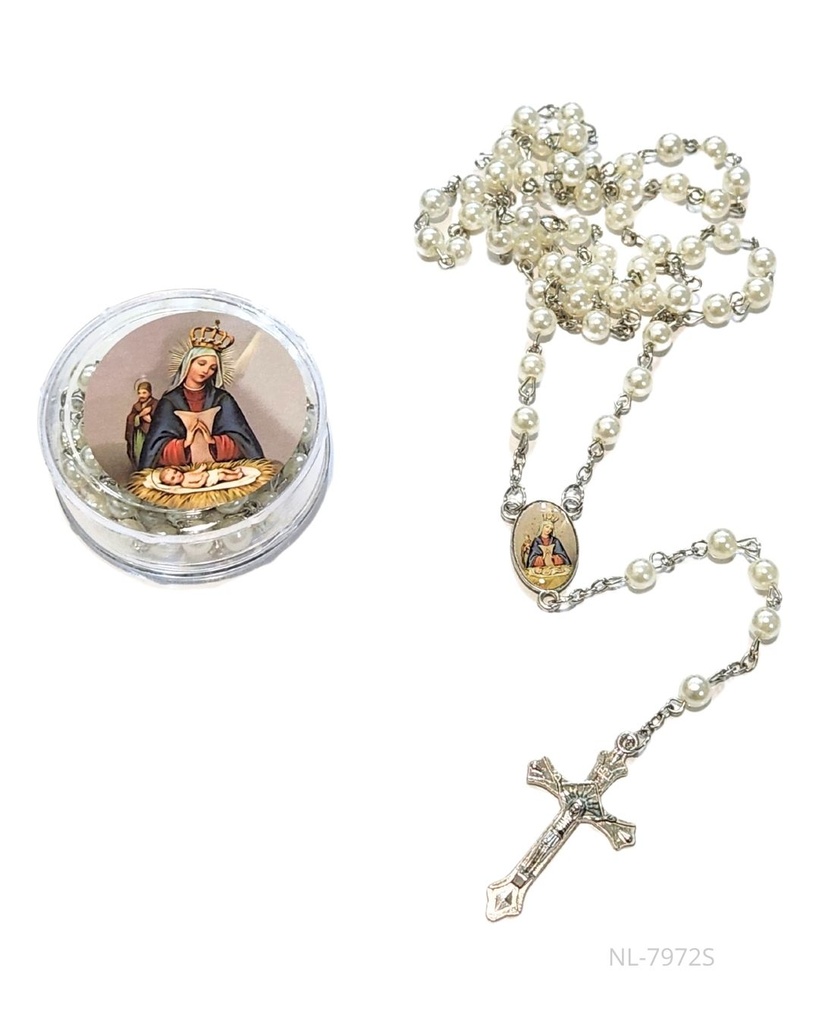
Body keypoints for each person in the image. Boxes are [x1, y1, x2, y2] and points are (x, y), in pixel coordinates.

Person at [138, 346, 263, 470]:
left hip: (221, 468)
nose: (206, 370)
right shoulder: (169, 402)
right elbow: (155, 451)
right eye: (201, 364)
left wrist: (213, 442)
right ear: (188, 363)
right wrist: (184, 444)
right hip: (180, 473)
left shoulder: (222, 399)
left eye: (212, 368)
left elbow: (244, 444)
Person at [125, 381, 158, 467]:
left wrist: (152, 420)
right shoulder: (136, 406)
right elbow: (130, 418)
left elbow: (161, 419)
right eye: (139, 393)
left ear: (150, 393)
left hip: (151, 435)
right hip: (138, 435)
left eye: (144, 393)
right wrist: (140, 416)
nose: (141, 395)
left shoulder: (155, 404)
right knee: (138, 453)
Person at [157, 465, 245, 490]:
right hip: (207, 480)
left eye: (175, 472)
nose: (177, 475)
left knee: (221, 469)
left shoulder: (185, 474)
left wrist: (201, 469)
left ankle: (234, 472)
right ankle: (236, 477)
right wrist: (204, 477)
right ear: (172, 484)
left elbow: (195, 472)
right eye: (173, 478)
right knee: (222, 475)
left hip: (207, 473)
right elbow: (198, 485)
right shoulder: (185, 483)